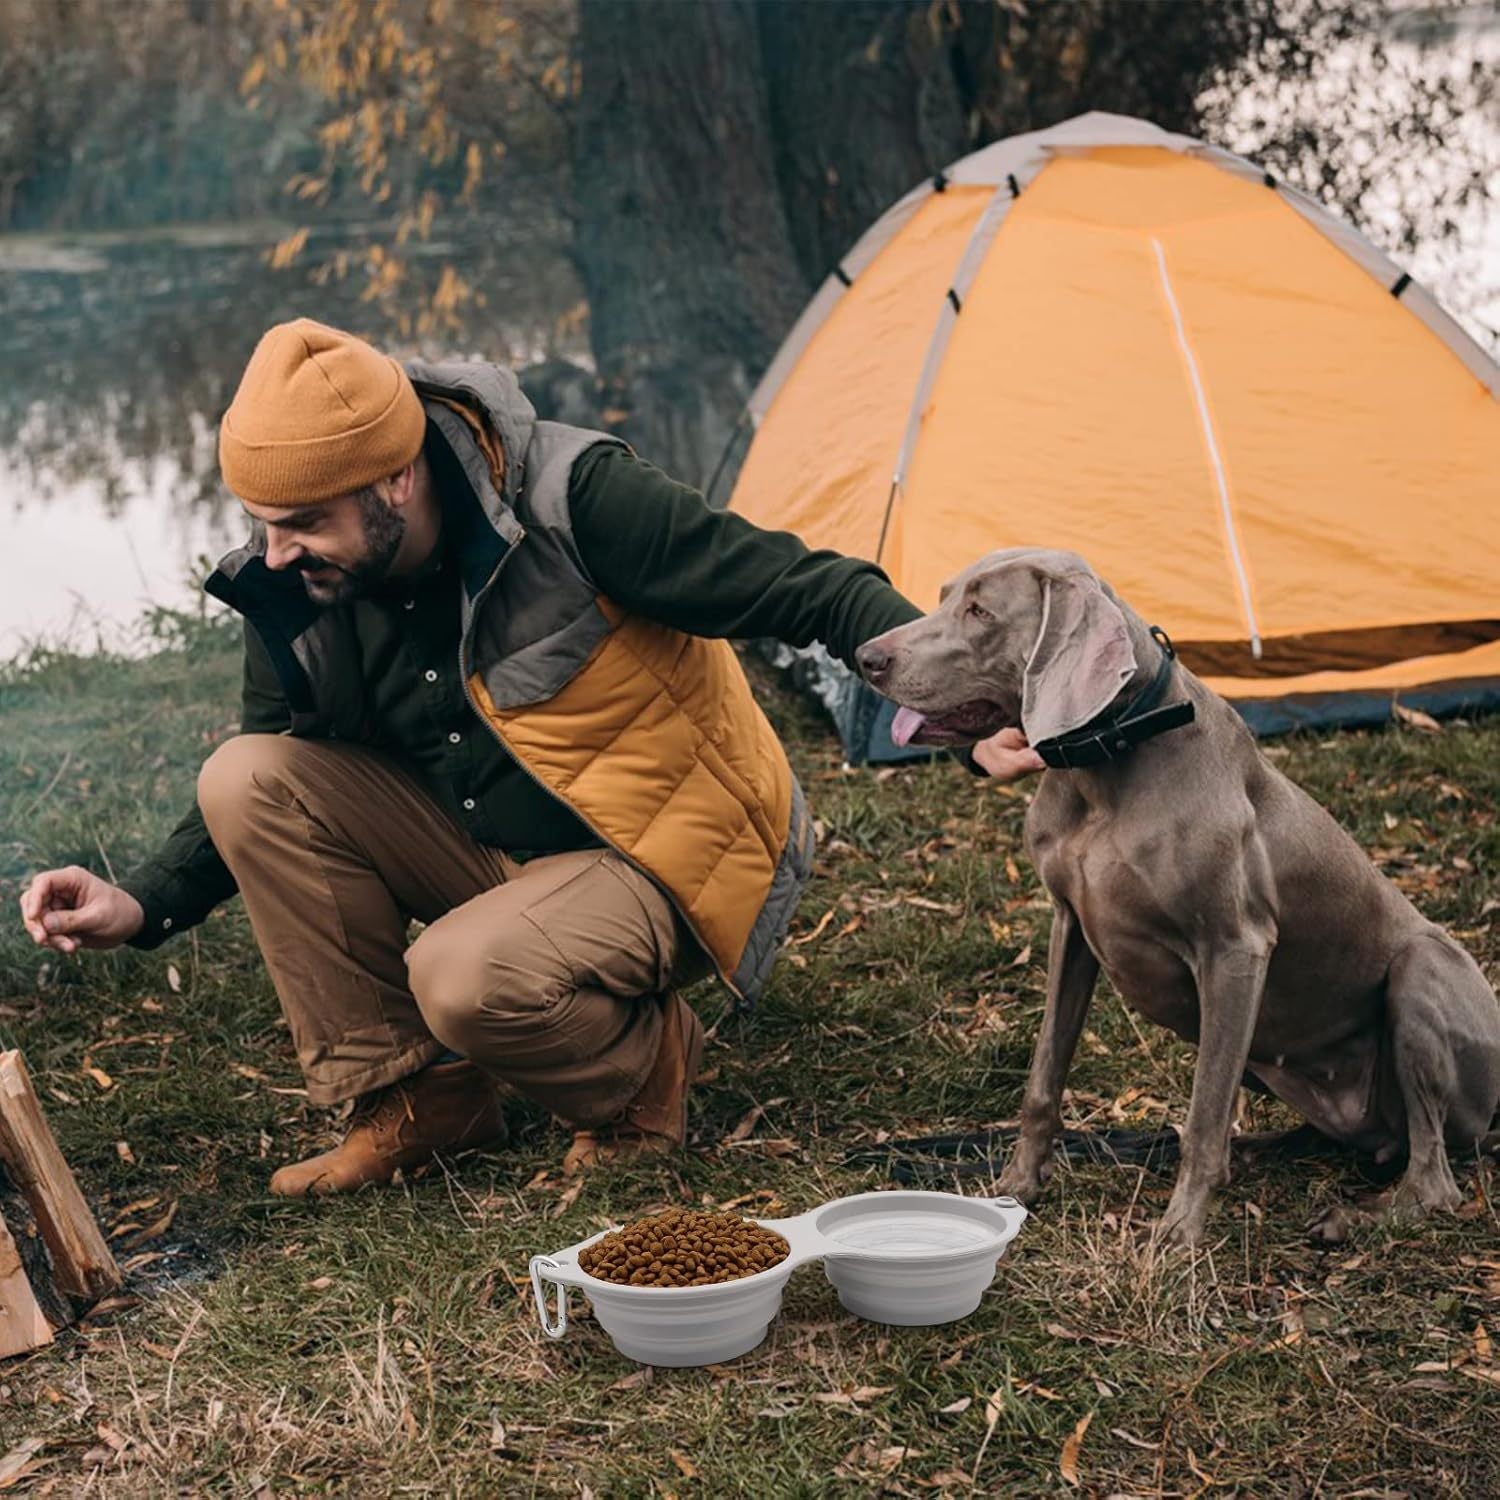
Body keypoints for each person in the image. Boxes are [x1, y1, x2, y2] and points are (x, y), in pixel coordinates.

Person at [18, 319, 1042, 1196]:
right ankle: (421, 1101)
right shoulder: (301, 581)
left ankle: (647, 1074)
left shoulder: (577, 498)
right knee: (247, 775)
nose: (276, 552)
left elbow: (805, 587)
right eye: (260, 524)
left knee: (458, 975)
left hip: (657, 851)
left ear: (394, 479)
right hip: (491, 854)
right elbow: (283, 761)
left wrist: (966, 709)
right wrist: (143, 902)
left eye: (302, 523)